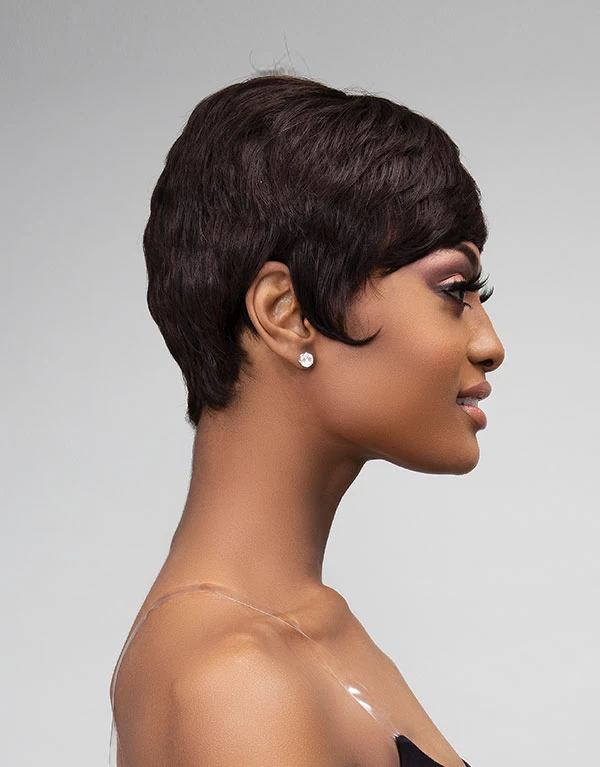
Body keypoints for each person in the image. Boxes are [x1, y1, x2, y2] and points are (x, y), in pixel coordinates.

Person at [109, 73, 505, 767]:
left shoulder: (315, 624)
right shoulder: (234, 684)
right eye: (455, 291)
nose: (489, 344)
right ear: (286, 312)